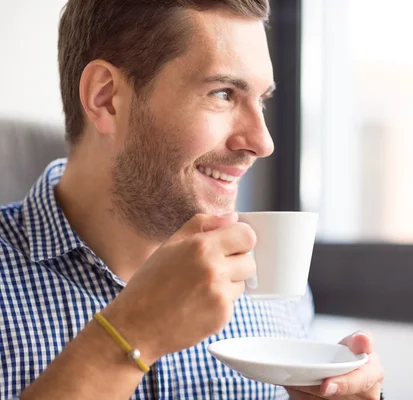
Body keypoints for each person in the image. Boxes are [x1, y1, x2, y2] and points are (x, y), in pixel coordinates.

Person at [0, 0, 385, 399]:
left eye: (262, 100)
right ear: (106, 98)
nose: (262, 142)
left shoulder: (270, 288)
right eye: (223, 94)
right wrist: (130, 333)